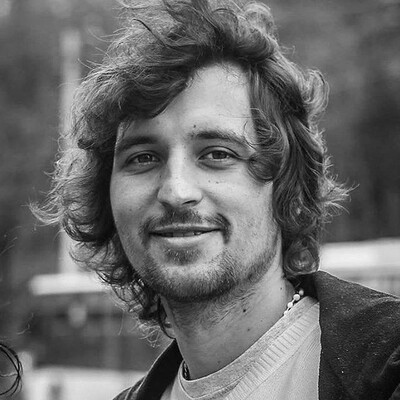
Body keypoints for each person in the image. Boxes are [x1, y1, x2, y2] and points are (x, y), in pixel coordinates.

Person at [36, 0, 400, 398]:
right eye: (143, 158)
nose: (176, 191)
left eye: (217, 154)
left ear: (287, 186)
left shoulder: (386, 366)